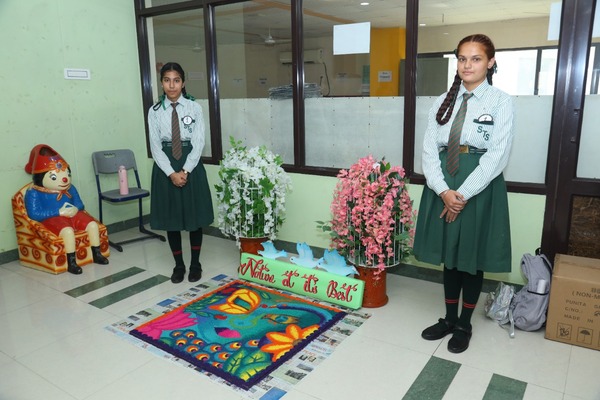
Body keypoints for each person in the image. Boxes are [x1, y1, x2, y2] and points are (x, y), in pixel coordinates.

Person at [413, 34, 514, 353]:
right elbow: (429, 150)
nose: (467, 65)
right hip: (444, 180)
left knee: (469, 255)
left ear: (490, 62)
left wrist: (463, 194)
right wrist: (443, 191)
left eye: (476, 59)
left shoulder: (500, 101)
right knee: (450, 254)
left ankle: (465, 324)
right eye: (462, 59)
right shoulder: (442, 100)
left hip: (479, 186)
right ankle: (448, 318)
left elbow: (498, 154)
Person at [148, 62, 214, 284]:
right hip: (165, 165)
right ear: (162, 83)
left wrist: (185, 170)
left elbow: (199, 141)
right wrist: (171, 173)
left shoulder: (194, 108)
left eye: (176, 80)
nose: (172, 85)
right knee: (172, 218)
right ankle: (179, 266)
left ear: (183, 82)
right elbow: (156, 147)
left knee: (194, 217)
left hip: (190, 164)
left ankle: (196, 264)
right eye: (167, 80)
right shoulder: (155, 111)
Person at [24, 144, 109, 274]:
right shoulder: (34, 193)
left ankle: (97, 254)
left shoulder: (70, 188)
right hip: (52, 219)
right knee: (68, 232)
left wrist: (75, 208)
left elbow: (80, 204)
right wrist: (58, 212)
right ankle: (71, 262)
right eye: (54, 177)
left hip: (73, 215)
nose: (64, 179)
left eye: (67, 174)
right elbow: (34, 214)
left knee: (92, 225)